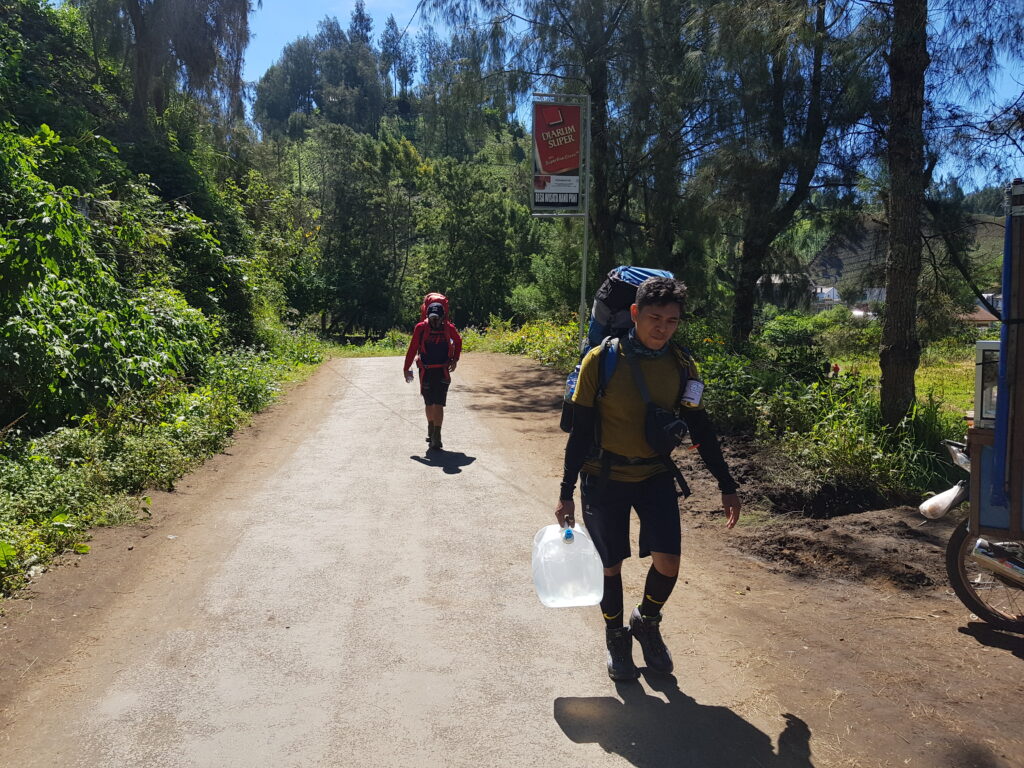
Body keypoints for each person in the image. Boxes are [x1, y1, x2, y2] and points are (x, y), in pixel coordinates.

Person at [554, 276, 741, 681]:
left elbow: (701, 428)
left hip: (654, 474)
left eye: (672, 321)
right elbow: (581, 432)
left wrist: (727, 484)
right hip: (603, 477)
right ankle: (616, 636)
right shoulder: (600, 361)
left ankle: (647, 622)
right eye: (654, 318)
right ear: (635, 314)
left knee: (669, 563)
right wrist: (566, 492)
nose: (662, 328)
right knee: (610, 566)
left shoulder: (682, 365)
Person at [403, 295, 462, 450]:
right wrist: (455, 359)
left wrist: (406, 368)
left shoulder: (421, 327)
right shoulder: (448, 327)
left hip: (427, 371)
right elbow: (458, 341)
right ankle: (436, 434)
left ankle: (433, 433)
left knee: (430, 402)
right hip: (442, 371)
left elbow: (412, 349)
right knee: (437, 403)